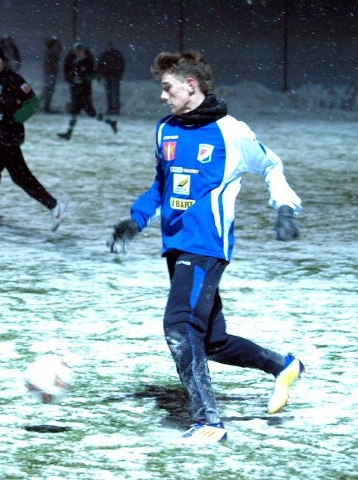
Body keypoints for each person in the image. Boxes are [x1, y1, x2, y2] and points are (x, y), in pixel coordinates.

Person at [107, 51, 304, 443]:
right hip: (176, 247)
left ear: (190, 85)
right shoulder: (165, 130)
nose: (163, 96)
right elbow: (162, 185)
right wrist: (138, 217)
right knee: (210, 340)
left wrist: (285, 206)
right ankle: (283, 365)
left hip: (207, 246)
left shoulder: (231, 132)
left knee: (180, 327)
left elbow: (271, 164)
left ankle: (208, 423)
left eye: (168, 88)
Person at [0, 43, 66, 231]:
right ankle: (54, 206)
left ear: (3, 61)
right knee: (20, 177)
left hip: (10, 135)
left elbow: (33, 101)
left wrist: (16, 118)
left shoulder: (14, 79)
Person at [58, 40, 117, 140]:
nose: (78, 52)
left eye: (79, 50)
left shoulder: (88, 61)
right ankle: (68, 133)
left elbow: (92, 74)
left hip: (85, 92)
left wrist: (82, 77)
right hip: (78, 91)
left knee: (88, 113)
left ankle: (69, 133)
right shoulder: (75, 61)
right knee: (79, 112)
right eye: (76, 51)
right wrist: (73, 77)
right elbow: (71, 73)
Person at [97, 42, 125, 115]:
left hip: (113, 75)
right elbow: (100, 65)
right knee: (112, 93)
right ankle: (112, 108)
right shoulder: (111, 55)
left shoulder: (108, 55)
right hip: (109, 76)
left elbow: (121, 64)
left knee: (113, 93)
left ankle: (114, 108)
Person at [41, 36, 63, 113]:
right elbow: (56, 54)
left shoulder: (50, 51)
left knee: (48, 89)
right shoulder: (50, 52)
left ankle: (45, 105)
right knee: (48, 89)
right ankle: (45, 106)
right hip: (50, 72)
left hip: (50, 72)